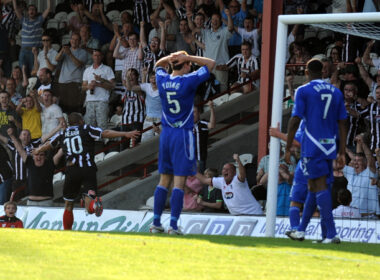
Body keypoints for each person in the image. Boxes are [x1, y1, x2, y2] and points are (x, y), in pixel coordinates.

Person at [33, 112, 140, 230]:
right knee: (89, 208)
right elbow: (105, 133)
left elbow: (49, 144)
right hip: (88, 169)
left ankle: (67, 232)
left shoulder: (63, 133)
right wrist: (126, 133)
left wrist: (39, 149)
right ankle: (94, 205)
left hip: (72, 170)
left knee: (69, 204)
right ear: (80, 121)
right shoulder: (86, 128)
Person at [150, 51, 216, 235]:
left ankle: (156, 223)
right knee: (179, 182)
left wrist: (171, 58)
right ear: (185, 65)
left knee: (164, 179)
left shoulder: (162, 79)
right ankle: (173, 225)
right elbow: (211, 63)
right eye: (188, 65)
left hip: (166, 134)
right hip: (182, 134)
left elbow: (157, 65)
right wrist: (188, 57)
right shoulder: (187, 81)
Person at [286, 58, 347, 244]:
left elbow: (295, 119)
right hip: (329, 145)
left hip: (312, 145)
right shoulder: (336, 91)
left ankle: (331, 234)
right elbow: (343, 121)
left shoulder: (303, 90)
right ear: (323, 71)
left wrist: (287, 147)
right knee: (315, 187)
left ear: (306, 72)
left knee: (319, 187)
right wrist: (342, 150)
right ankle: (303, 231)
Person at [7, 127, 63, 206]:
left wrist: (66, 135)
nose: (39, 157)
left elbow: (61, 151)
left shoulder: (50, 163)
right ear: (32, 156)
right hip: (31, 203)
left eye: (41, 155)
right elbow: (19, 149)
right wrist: (12, 136)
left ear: (45, 156)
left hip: (47, 202)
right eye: (36, 155)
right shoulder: (29, 163)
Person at [196, 153, 263, 215]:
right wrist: (191, 170)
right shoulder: (220, 181)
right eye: (224, 169)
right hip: (237, 216)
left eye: (228, 169)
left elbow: (242, 174)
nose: (225, 171)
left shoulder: (237, 180)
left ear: (234, 172)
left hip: (253, 213)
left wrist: (238, 161)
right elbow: (204, 180)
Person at [12, 0, 51, 75]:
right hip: (23, 50)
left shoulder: (39, 20)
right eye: (30, 9)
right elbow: (16, 9)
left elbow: (48, 9)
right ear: (27, 12)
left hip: (34, 51)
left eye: (33, 9)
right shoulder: (23, 20)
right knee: (22, 73)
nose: (31, 11)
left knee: (33, 73)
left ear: (36, 12)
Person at [82, 49, 115, 131]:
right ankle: (91, 143)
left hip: (102, 101)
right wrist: (89, 86)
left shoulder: (107, 69)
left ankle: (102, 143)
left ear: (102, 57)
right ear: (92, 56)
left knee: (102, 125)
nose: (97, 57)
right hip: (89, 100)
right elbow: (83, 87)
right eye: (95, 55)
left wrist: (98, 83)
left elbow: (112, 86)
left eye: (99, 55)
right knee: (89, 126)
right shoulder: (87, 70)